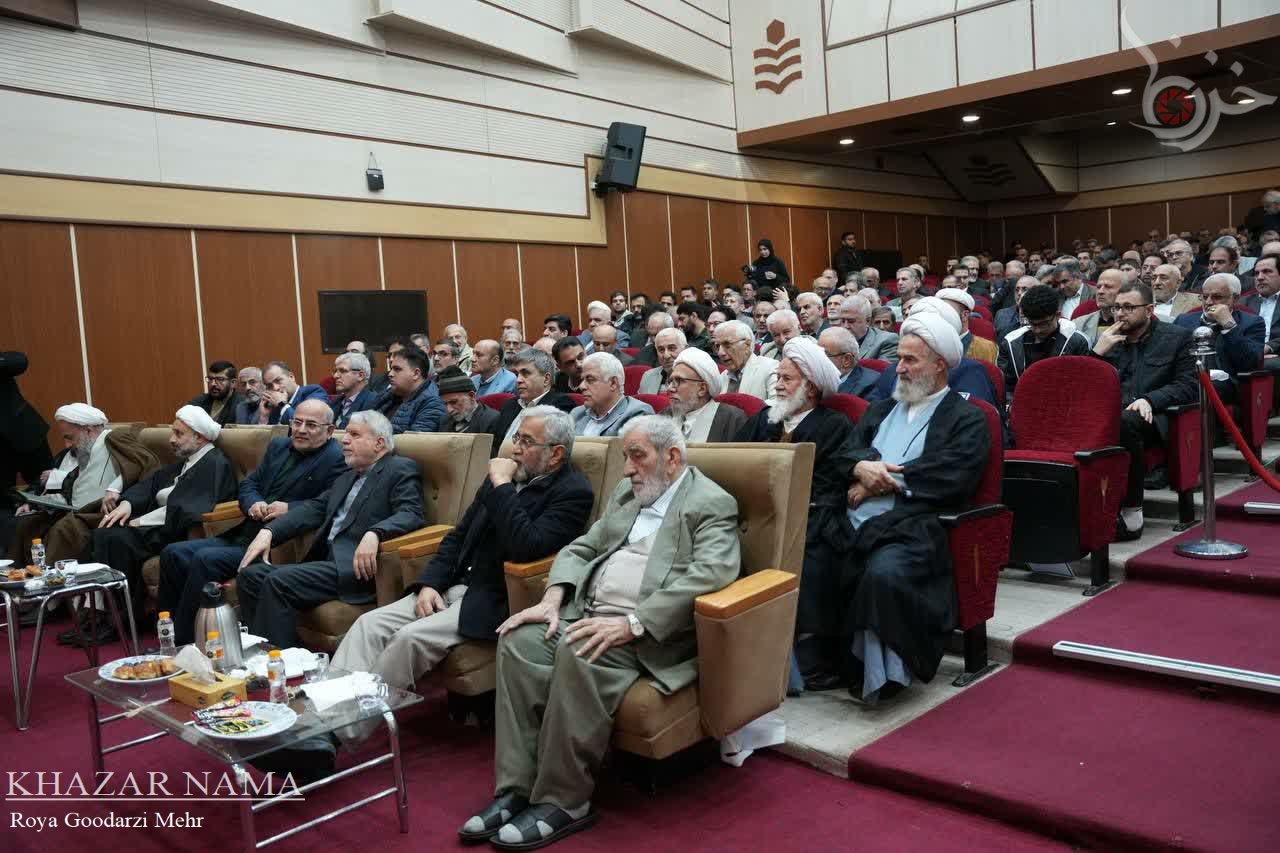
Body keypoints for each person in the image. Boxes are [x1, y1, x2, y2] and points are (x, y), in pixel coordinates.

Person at [458, 416, 739, 848]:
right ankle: (516, 788)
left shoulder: (711, 503)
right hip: (587, 613)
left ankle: (565, 800)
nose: (626, 468)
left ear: (672, 457)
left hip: (649, 633)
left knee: (579, 648)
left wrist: (633, 623)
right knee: (519, 641)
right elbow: (583, 546)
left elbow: (711, 574)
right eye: (625, 456)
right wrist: (553, 597)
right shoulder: (629, 493)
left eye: (637, 456)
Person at [286, 407, 594, 767]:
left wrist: (502, 487)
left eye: (526, 442)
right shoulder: (504, 476)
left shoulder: (571, 492)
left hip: (494, 596)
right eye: (516, 438)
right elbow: (457, 537)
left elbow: (526, 546)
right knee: (368, 625)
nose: (515, 448)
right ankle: (316, 716)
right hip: (450, 585)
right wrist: (430, 583)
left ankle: (333, 735)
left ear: (555, 453)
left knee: (409, 639)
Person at [808, 312, 990, 700]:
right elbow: (845, 454)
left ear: (939, 365)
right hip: (850, 520)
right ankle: (821, 663)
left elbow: (952, 475)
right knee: (810, 558)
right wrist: (860, 468)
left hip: (913, 525)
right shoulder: (879, 410)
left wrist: (876, 483)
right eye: (899, 359)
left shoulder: (967, 417)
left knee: (884, 574)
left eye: (910, 360)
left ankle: (878, 674)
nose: (899, 369)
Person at [157, 400, 345, 645]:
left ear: (329, 431)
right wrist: (254, 502)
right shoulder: (279, 446)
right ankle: (167, 635)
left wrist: (289, 508)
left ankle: (188, 642)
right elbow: (249, 484)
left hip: (277, 544)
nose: (300, 430)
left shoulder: (336, 458)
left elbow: (327, 505)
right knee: (172, 553)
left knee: (205, 559)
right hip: (244, 531)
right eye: (297, 422)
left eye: (311, 425)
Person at [236, 410, 425, 648]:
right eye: (346, 434)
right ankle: (262, 651)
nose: (344, 440)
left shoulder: (399, 468)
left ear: (379, 443)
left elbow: (411, 513)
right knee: (250, 576)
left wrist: (375, 533)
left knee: (277, 581)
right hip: (325, 563)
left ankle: (280, 659)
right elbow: (314, 508)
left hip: (355, 568)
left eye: (354, 434)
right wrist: (270, 532)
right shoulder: (347, 477)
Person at [92, 406, 238, 638]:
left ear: (199, 437)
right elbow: (151, 484)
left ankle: (122, 619)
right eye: (173, 432)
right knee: (103, 531)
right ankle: (102, 614)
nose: (171, 439)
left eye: (179, 434)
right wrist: (128, 503)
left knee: (115, 538)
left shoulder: (214, 464)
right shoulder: (187, 461)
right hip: (157, 525)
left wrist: (141, 521)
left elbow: (189, 509)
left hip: (177, 531)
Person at [1091, 282, 1198, 540]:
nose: (1120, 313)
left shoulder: (1177, 337)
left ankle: (1132, 509)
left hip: (1157, 417)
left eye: (1129, 307)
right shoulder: (1109, 340)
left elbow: (1188, 385)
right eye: (1117, 307)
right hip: (1111, 417)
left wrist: (1150, 399)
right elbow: (1086, 387)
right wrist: (1096, 353)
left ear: (1149, 310)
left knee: (1125, 421)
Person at [11, 404, 155, 573]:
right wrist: (37, 502)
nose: (67, 445)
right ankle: (17, 578)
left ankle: (52, 583)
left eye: (69, 438)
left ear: (88, 430)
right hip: (77, 510)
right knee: (28, 523)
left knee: (66, 528)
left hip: (103, 511)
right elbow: (74, 487)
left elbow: (146, 462)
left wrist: (115, 487)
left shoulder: (115, 437)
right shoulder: (85, 452)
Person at [867, 299, 997, 407]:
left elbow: (971, 417)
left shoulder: (970, 371)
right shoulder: (892, 371)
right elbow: (873, 414)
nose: (901, 368)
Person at [1173, 273, 1266, 404]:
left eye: (1217, 297)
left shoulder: (1253, 323)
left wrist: (1229, 325)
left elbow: (1249, 363)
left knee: (1208, 387)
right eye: (1204, 297)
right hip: (1186, 379)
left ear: (1235, 298)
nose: (1208, 302)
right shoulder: (1183, 320)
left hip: (1226, 385)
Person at [997, 285, 1092, 400]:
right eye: (1032, 324)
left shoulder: (1077, 341)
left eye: (1043, 324)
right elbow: (1006, 387)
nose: (1037, 330)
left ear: (1058, 315)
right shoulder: (1010, 343)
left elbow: (1083, 386)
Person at [491, 348, 577, 450]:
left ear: (546, 379)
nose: (518, 380)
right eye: (517, 374)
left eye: (525, 374)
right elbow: (494, 445)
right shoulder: (509, 405)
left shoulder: (560, 405)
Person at [663, 348, 746, 442]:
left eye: (679, 381)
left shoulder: (733, 420)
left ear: (702, 389)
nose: (670, 388)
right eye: (670, 381)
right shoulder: (665, 415)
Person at [570, 353, 653, 436]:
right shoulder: (577, 414)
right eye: (582, 380)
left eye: (590, 379)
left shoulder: (637, 413)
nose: (581, 386)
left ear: (613, 383)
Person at [374, 347, 446, 433]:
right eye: (391, 369)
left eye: (397, 369)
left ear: (416, 374)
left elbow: (416, 440)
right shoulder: (389, 394)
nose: (390, 374)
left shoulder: (433, 403)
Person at [714, 320, 777, 402]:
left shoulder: (770, 368)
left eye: (727, 345)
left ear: (747, 345)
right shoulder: (722, 377)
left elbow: (777, 405)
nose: (720, 353)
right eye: (717, 346)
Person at [251, 361, 329, 426]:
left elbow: (305, 426)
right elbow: (266, 438)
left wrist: (282, 405)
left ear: (291, 377)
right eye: (269, 386)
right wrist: (264, 418)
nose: (275, 388)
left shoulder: (314, 392)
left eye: (278, 381)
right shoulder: (273, 407)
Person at [937, 288, 997, 364]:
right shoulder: (930, 344)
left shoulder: (987, 348)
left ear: (965, 315)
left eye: (948, 311)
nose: (941, 315)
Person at [832, 294, 899, 362]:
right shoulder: (833, 339)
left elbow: (884, 368)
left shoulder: (887, 340)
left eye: (851, 321)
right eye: (843, 321)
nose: (845, 326)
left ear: (867, 321)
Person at [819, 326, 880, 399]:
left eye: (824, 355)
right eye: (817, 353)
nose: (817, 359)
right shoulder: (816, 379)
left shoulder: (869, 385)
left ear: (846, 360)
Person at [1241, 254, 1280, 365]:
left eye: (1267, 271)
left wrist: (1269, 347)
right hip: (1247, 354)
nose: (1260, 277)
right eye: (1256, 273)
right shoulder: (1242, 302)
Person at [437, 366, 501, 434]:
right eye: (445, 404)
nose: (449, 410)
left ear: (471, 396)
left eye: (454, 402)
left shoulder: (491, 420)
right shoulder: (444, 420)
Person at [1074, 268, 1124, 344]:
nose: (1100, 291)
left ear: (1124, 290)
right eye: (1098, 287)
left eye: (1108, 287)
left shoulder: (1135, 322)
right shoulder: (1079, 324)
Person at [188, 360, 244, 427]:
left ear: (233, 383)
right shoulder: (199, 401)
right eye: (210, 379)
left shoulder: (242, 405)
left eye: (220, 379)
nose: (213, 384)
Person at [331, 352, 376, 429]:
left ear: (360, 375)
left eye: (342, 371)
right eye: (335, 371)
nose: (336, 376)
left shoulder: (373, 402)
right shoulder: (335, 402)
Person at [637, 327, 686, 394]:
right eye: (661, 350)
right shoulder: (648, 376)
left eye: (672, 348)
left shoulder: (696, 379)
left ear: (685, 349)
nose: (666, 356)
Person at [994, 275, 1037, 340]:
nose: (1019, 293)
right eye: (1017, 290)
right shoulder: (1001, 314)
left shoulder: (1044, 313)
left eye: (1025, 289)